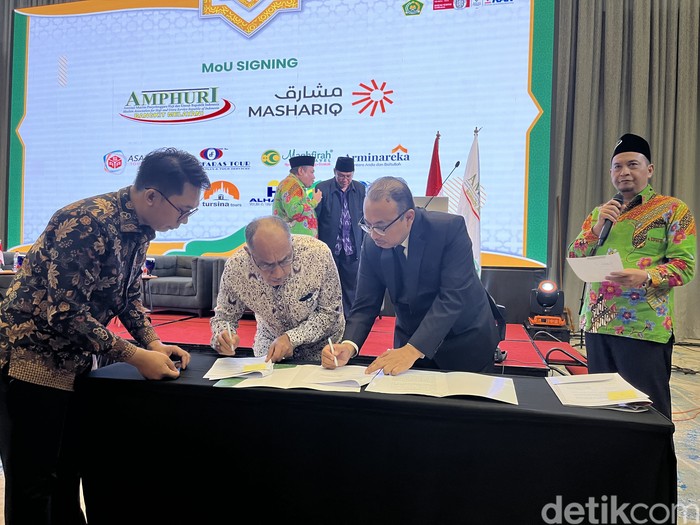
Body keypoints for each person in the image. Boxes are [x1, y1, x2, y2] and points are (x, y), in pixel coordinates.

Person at [0, 147, 211, 525]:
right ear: (152, 195)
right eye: (182, 210)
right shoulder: (85, 223)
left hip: (76, 361)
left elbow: (126, 297)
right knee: (34, 481)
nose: (183, 221)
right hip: (30, 360)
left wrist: (153, 343)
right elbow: (65, 314)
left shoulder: (140, 228)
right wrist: (135, 356)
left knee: (68, 471)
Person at [568, 133, 696, 419]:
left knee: (647, 414)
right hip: (598, 323)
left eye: (632, 165)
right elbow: (575, 256)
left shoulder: (673, 209)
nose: (624, 172)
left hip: (643, 325)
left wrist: (646, 275)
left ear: (649, 170)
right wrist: (597, 228)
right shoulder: (600, 213)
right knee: (603, 409)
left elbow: (685, 266)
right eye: (617, 166)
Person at [320, 176, 502, 376]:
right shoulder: (372, 243)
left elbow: (452, 297)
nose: (373, 234)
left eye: (381, 226)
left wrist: (414, 349)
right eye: (367, 224)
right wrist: (348, 345)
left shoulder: (449, 230)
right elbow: (365, 303)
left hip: (463, 340)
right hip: (409, 342)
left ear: (408, 217)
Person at [210, 215, 344, 362]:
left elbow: (330, 312)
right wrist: (223, 336)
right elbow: (224, 318)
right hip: (271, 347)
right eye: (267, 265)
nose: (278, 274)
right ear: (249, 253)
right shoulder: (236, 268)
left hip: (324, 350)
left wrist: (291, 338)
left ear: (291, 243)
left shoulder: (317, 254)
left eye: (285, 260)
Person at [315, 155, 366, 316]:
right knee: (329, 288)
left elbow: (364, 217)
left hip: (352, 248)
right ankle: (331, 319)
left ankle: (349, 320)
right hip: (330, 248)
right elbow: (315, 219)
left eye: (348, 176)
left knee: (351, 288)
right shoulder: (322, 188)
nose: (345, 180)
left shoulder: (360, 189)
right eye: (341, 176)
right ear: (334, 172)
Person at [272, 154, 322, 236]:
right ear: (301, 171)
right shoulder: (292, 184)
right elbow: (294, 212)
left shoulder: (293, 184)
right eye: (312, 172)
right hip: (294, 240)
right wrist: (314, 201)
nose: (314, 177)